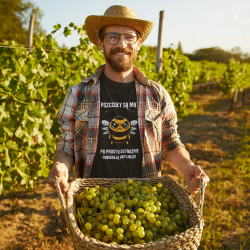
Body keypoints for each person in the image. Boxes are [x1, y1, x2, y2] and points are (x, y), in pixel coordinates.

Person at [46, 5, 210, 194]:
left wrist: (187, 167)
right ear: (101, 43)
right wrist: (62, 166)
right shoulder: (77, 94)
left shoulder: (157, 94)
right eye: (113, 36)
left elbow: (170, 143)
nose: (122, 44)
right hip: (93, 203)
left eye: (130, 37)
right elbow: (66, 145)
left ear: (139, 43)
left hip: (145, 203)